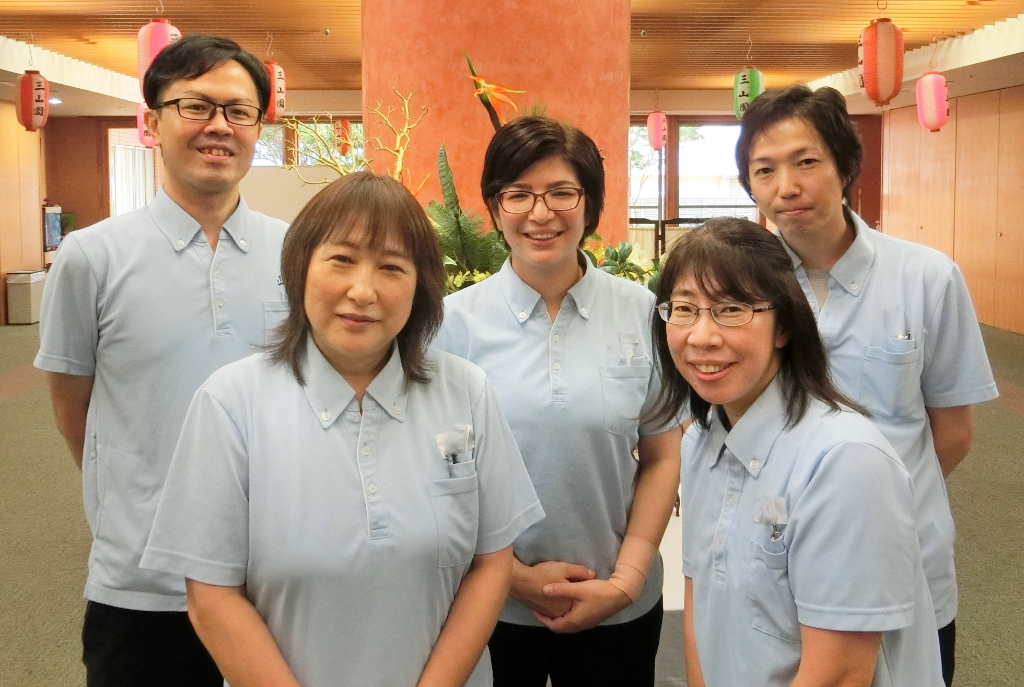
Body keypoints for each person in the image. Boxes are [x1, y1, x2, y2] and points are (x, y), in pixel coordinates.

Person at [140, 172, 545, 687]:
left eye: (392, 267)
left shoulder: (466, 391)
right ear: (300, 266)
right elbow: (211, 595)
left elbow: (492, 563)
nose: (363, 290)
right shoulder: (230, 402)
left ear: (420, 286)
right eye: (342, 259)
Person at [34, 34, 287, 686]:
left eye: (239, 111)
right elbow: (74, 409)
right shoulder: (92, 257)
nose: (219, 127)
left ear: (258, 125)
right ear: (152, 122)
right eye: (196, 106)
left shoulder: (296, 253)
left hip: (275, 572)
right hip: (141, 581)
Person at [736, 85, 999, 685]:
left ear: (845, 166)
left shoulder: (927, 277)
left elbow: (952, 432)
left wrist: (866, 509)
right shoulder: (745, 287)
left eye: (806, 162)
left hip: (907, 556)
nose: (787, 187)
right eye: (765, 170)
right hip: (776, 554)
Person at [435, 116, 681, 687]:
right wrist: (512, 578)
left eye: (562, 193)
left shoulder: (642, 313)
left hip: (618, 600)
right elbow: (438, 467)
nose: (539, 213)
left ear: (589, 204)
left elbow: (663, 454)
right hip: (488, 603)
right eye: (517, 194)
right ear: (495, 208)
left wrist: (626, 579)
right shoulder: (454, 324)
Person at [648, 217, 944, 687]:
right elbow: (700, 609)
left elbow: (840, 674)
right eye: (684, 309)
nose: (701, 336)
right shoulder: (701, 442)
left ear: (784, 325)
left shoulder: (845, 462)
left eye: (731, 309)